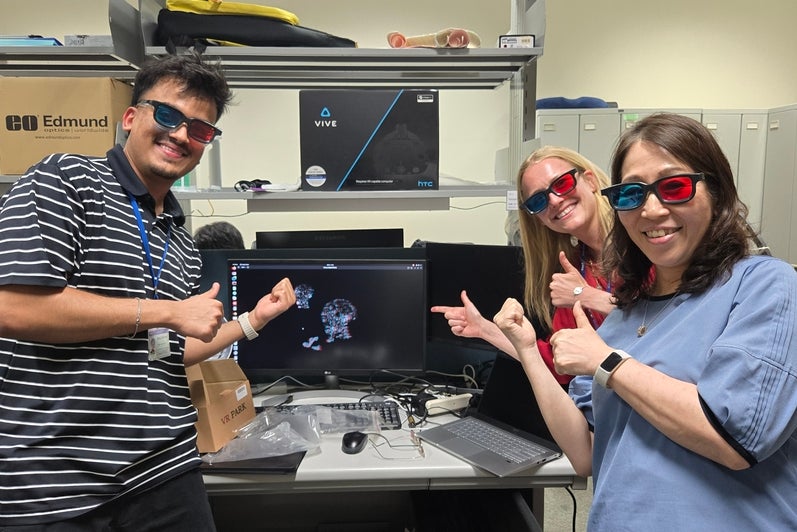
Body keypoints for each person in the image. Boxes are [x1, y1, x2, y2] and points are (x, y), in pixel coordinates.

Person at [0, 53, 296, 530]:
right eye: (168, 115)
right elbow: (11, 307)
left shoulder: (181, 241)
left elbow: (167, 353)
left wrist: (253, 320)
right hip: (52, 479)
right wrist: (165, 312)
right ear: (131, 117)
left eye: (200, 129)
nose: (182, 135)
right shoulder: (66, 180)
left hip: (165, 472)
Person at [494, 113, 797, 530]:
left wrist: (608, 364)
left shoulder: (764, 285)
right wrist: (526, 347)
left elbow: (735, 439)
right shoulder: (626, 314)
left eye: (674, 186)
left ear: (718, 192)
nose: (652, 210)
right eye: (633, 194)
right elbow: (584, 453)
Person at [432, 146, 616, 385]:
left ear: (590, 181)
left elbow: (663, 323)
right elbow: (558, 363)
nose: (555, 200)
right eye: (539, 200)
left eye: (561, 184)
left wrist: (585, 295)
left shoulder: (640, 244)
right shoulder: (575, 267)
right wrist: (483, 329)